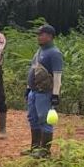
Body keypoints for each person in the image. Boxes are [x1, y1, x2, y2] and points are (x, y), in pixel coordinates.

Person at [24, 24, 63, 157]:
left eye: (42, 34)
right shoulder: (39, 51)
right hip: (34, 92)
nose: (39, 37)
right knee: (33, 118)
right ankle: (34, 148)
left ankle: (45, 151)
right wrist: (28, 89)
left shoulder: (54, 53)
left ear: (50, 36)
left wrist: (55, 95)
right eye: (38, 34)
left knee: (45, 120)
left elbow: (57, 75)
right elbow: (33, 70)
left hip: (45, 93)